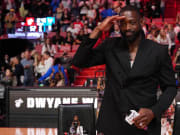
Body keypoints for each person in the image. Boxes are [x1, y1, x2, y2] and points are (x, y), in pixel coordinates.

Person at [72, 5, 177, 135]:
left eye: (132, 22)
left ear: (141, 21)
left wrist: (154, 112)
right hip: (111, 124)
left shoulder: (158, 51)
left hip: (144, 124)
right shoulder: (110, 46)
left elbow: (171, 87)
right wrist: (98, 29)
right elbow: (79, 61)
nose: (127, 28)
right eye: (123, 23)